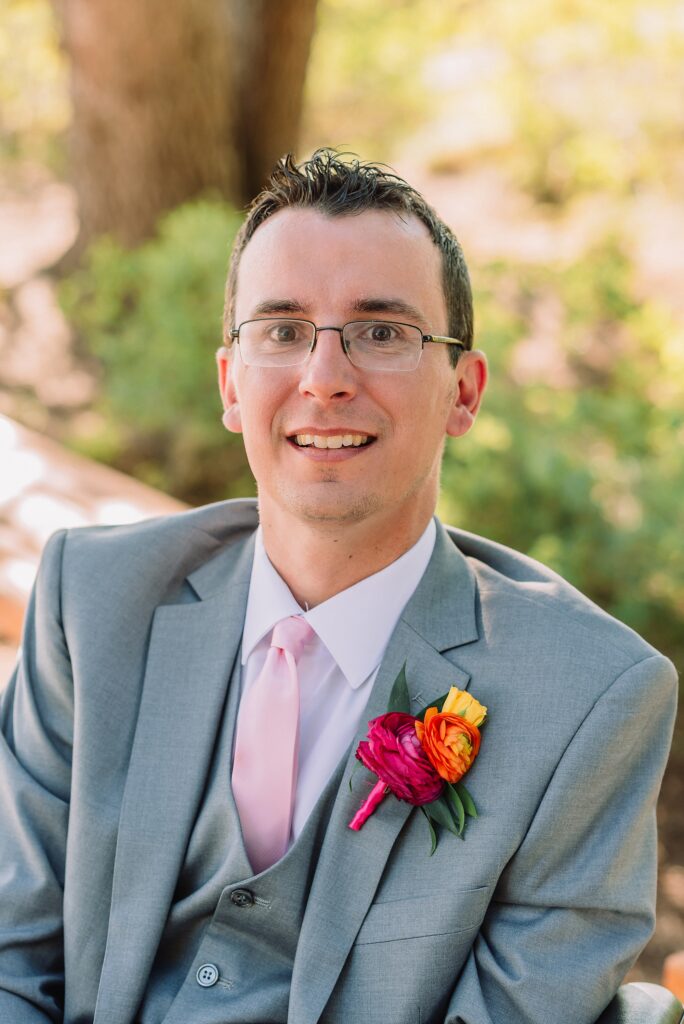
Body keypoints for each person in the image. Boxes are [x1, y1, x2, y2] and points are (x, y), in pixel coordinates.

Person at [0, 150, 677, 1024]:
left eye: (383, 333)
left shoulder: (590, 700)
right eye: (281, 330)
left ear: (463, 393)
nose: (324, 378)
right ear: (230, 385)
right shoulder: (92, 604)